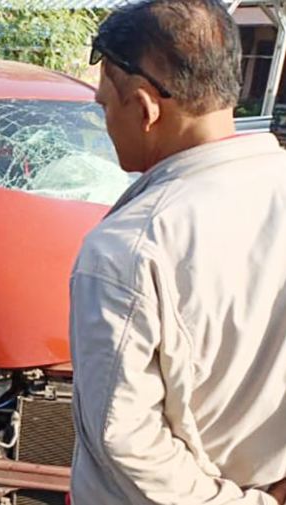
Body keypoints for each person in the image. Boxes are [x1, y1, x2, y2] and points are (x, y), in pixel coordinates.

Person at [69, 1, 286, 504]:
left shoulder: (129, 249)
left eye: (105, 105)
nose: (105, 121)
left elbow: (124, 441)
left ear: (145, 108)